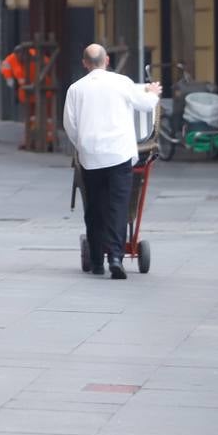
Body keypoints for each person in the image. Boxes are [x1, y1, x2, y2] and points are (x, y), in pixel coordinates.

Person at [62, 44, 161, 279]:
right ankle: (116, 257)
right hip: (119, 154)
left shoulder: (76, 89)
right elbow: (145, 104)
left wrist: (83, 145)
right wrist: (153, 92)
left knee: (94, 207)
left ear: (85, 63)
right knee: (118, 207)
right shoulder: (122, 82)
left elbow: (70, 125)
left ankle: (97, 261)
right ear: (106, 60)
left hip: (91, 157)